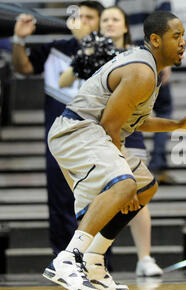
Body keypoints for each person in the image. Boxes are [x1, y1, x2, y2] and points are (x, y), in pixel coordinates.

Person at [42, 10, 186, 290]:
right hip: (77, 130)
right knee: (125, 184)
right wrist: (122, 176)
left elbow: (130, 120)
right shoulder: (141, 71)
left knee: (146, 186)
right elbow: (110, 125)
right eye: (177, 36)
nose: (183, 42)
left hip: (91, 131)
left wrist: (179, 124)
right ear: (156, 40)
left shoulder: (149, 69)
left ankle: (94, 260)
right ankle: (67, 259)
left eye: (183, 36)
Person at [59, 5, 163, 277]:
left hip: (128, 131)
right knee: (113, 193)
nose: (109, 24)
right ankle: (90, 260)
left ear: (126, 26)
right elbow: (63, 81)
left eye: (115, 19)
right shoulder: (95, 51)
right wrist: (85, 49)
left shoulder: (140, 57)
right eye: (105, 20)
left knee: (139, 191)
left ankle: (145, 257)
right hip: (93, 130)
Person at [11, 0, 105, 259]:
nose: (83, 22)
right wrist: (19, 40)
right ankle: (62, 259)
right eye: (79, 17)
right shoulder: (56, 49)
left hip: (97, 139)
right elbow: (24, 67)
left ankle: (96, 262)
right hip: (59, 139)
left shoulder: (109, 54)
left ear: (100, 22)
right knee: (60, 201)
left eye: (90, 17)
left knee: (98, 202)